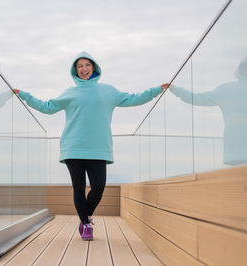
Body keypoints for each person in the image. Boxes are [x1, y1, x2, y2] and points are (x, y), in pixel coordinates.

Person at [13, 51, 168, 241]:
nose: (84, 69)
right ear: (75, 70)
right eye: (79, 66)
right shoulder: (70, 92)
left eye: (87, 65)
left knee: (98, 187)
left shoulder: (108, 91)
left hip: (98, 148)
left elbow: (133, 99)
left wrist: (156, 90)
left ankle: (84, 217)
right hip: (73, 147)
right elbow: (47, 107)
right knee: (78, 188)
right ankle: (86, 225)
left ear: (93, 67)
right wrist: (25, 95)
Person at [169, 53, 247, 166]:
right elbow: (197, 98)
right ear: (243, 67)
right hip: (236, 152)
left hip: (234, 152)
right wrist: (174, 89)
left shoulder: (226, 89)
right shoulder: (227, 89)